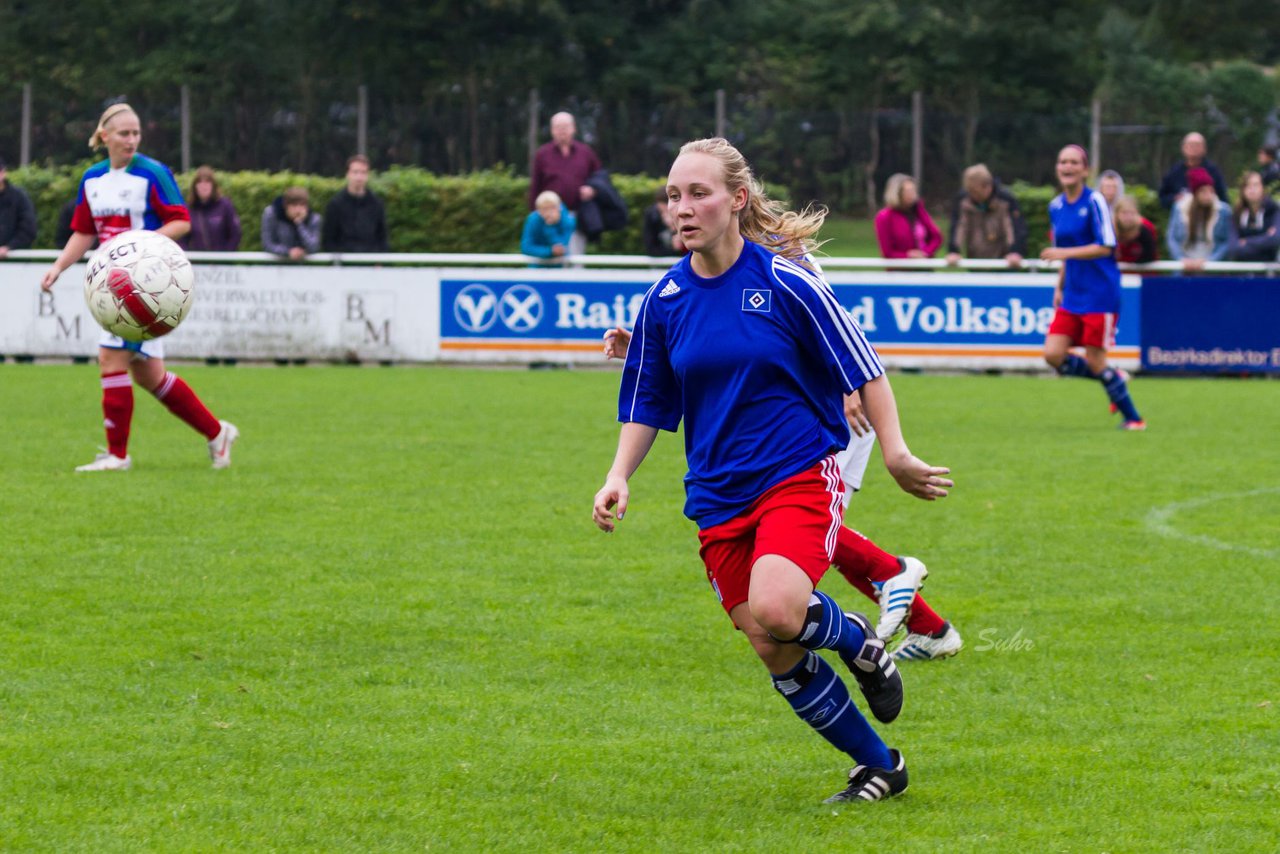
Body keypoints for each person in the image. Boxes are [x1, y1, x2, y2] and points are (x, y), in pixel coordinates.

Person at [592, 137, 954, 803]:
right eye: (673, 195)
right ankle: (880, 764)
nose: (681, 207)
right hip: (717, 495)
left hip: (795, 474)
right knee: (770, 642)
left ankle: (859, 642)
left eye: (697, 193)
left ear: (737, 200)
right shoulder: (664, 300)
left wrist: (898, 452)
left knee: (779, 606)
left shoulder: (786, 282)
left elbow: (864, 365)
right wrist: (619, 475)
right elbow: (648, 399)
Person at [603, 325, 962, 660]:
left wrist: (847, 389)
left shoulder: (783, 264)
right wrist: (644, 348)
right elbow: (733, 343)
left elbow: (838, 335)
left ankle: (891, 573)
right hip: (813, 414)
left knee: (795, 525)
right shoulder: (740, 266)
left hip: (826, 414)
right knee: (797, 528)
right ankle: (929, 628)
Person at [38, 103, 237, 471]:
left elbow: (181, 221)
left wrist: (143, 248)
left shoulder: (153, 172)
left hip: (145, 286)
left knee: (110, 359)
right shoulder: (93, 179)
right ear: (104, 137)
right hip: (110, 285)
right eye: (124, 133)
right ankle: (216, 433)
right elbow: (84, 231)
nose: (131, 140)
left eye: (136, 133)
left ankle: (117, 456)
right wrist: (59, 266)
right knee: (149, 375)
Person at [1039, 144, 1144, 431]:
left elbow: (1106, 246)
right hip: (1073, 293)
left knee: (1096, 361)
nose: (1067, 167)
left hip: (1100, 292)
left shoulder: (1095, 201)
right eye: (1063, 162)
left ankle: (1134, 419)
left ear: (1085, 170)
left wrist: (1064, 255)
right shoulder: (1056, 206)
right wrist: (1059, 286)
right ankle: (1114, 376)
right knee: (1053, 355)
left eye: (1074, 162)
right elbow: (1065, 253)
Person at [528, 112, 601, 256]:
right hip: (548, 216)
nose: (562, 130)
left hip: (577, 215)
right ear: (552, 130)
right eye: (558, 127)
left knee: (575, 257)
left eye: (565, 126)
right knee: (551, 257)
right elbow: (535, 185)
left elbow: (599, 177)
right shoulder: (542, 154)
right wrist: (535, 214)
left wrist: (593, 189)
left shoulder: (585, 152)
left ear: (574, 128)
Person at [943, 164, 1026, 268]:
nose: (973, 196)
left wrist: (1015, 251)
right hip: (975, 260)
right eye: (970, 191)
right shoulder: (963, 200)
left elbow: (1014, 227)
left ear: (988, 187)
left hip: (1004, 261)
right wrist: (954, 251)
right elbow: (959, 226)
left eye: (976, 192)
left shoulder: (1006, 200)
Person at [1166, 167, 1233, 270]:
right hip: (1184, 267)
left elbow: (1227, 241)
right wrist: (1181, 259)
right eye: (1203, 191)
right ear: (1195, 193)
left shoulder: (1223, 211)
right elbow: (1172, 238)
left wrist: (1210, 261)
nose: (1208, 195)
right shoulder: (1180, 208)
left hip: (1212, 269)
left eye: (1211, 191)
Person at [321, 154, 388, 253]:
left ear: (368, 175)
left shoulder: (377, 204)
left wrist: (379, 262)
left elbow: (382, 238)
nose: (359, 177)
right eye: (355, 172)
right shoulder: (335, 205)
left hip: (371, 264)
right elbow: (328, 240)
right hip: (343, 264)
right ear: (347, 174)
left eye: (363, 173)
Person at [874, 173, 941, 260]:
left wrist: (926, 252)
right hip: (900, 270)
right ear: (897, 194)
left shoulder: (918, 210)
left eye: (913, 190)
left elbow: (936, 237)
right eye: (907, 191)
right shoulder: (884, 217)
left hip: (924, 267)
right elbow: (887, 252)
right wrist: (908, 256)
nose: (912, 194)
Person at [1157, 132, 1228, 210]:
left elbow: (1223, 199)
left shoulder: (1213, 171)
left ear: (1204, 149)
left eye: (1197, 145)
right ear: (1183, 148)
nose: (1194, 148)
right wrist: (1175, 199)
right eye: (1190, 145)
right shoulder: (1174, 172)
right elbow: (1163, 198)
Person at [182, 165, 241, 251]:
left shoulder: (225, 205)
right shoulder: (189, 209)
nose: (203, 186)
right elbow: (182, 239)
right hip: (198, 262)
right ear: (195, 187)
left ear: (213, 185)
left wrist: (226, 256)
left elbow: (235, 234)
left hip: (222, 261)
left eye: (207, 182)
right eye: (200, 182)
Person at [1229, 171, 1280, 263]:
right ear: (1243, 190)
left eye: (1256, 185)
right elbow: (1233, 247)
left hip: (1267, 271)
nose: (1252, 189)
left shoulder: (1274, 210)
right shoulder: (1237, 213)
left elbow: (1274, 240)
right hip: (1241, 270)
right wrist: (1264, 239)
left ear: (1263, 188)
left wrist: (1246, 242)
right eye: (1248, 185)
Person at [262, 186, 322, 260]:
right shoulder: (271, 214)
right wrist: (288, 252)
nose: (298, 210)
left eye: (302, 205)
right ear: (286, 206)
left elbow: (314, 247)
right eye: (294, 205)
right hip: (278, 263)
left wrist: (300, 224)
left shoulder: (314, 218)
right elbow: (268, 244)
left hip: (304, 266)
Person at [520, 190, 576, 262]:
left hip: (561, 266)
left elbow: (561, 247)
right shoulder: (533, 220)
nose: (549, 212)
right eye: (545, 209)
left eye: (552, 207)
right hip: (537, 265)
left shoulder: (568, 221)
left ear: (559, 207)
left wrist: (550, 227)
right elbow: (526, 247)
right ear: (538, 210)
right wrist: (549, 251)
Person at [0, 154, 37, 258]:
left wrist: (9, 247)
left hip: (15, 259)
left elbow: (29, 229)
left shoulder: (19, 196)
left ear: (4, 172)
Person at [1113, 196, 1159, 264]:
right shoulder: (1110, 229)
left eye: (1132, 213)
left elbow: (1151, 254)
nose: (1128, 217)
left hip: (1143, 271)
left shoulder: (1146, 227)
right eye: (1124, 213)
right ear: (1116, 214)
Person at [641, 187, 685, 257]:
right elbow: (651, 248)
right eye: (661, 212)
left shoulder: (684, 216)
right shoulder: (652, 215)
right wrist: (672, 249)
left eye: (669, 213)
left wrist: (676, 229)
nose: (665, 216)